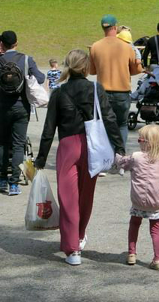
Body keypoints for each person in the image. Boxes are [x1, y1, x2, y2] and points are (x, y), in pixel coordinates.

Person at [35, 49, 125, 265]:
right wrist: (119, 148)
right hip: (92, 147)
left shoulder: (58, 92)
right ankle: (80, 234)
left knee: (68, 199)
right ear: (86, 67)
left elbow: (48, 130)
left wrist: (40, 159)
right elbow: (110, 119)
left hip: (67, 147)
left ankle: (72, 249)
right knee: (86, 196)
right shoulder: (96, 89)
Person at [115, 125, 159, 270]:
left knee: (134, 224)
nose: (138, 142)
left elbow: (121, 163)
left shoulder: (136, 157)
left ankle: (131, 253)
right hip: (157, 202)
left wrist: (116, 153)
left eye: (139, 139)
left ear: (146, 142)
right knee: (156, 230)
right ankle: (157, 259)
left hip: (138, 202)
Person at [0, 31, 45, 196]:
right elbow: (40, 78)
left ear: (1, 44)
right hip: (21, 107)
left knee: (2, 143)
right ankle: (14, 184)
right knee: (18, 144)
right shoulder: (26, 59)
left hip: (2, 107)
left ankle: (2, 179)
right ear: (16, 43)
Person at [90, 15, 142, 152]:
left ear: (103, 28)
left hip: (103, 92)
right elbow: (136, 70)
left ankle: (105, 157)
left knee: (104, 125)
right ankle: (120, 157)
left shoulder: (95, 46)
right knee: (122, 125)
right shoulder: (126, 47)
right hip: (122, 92)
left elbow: (92, 71)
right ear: (115, 27)